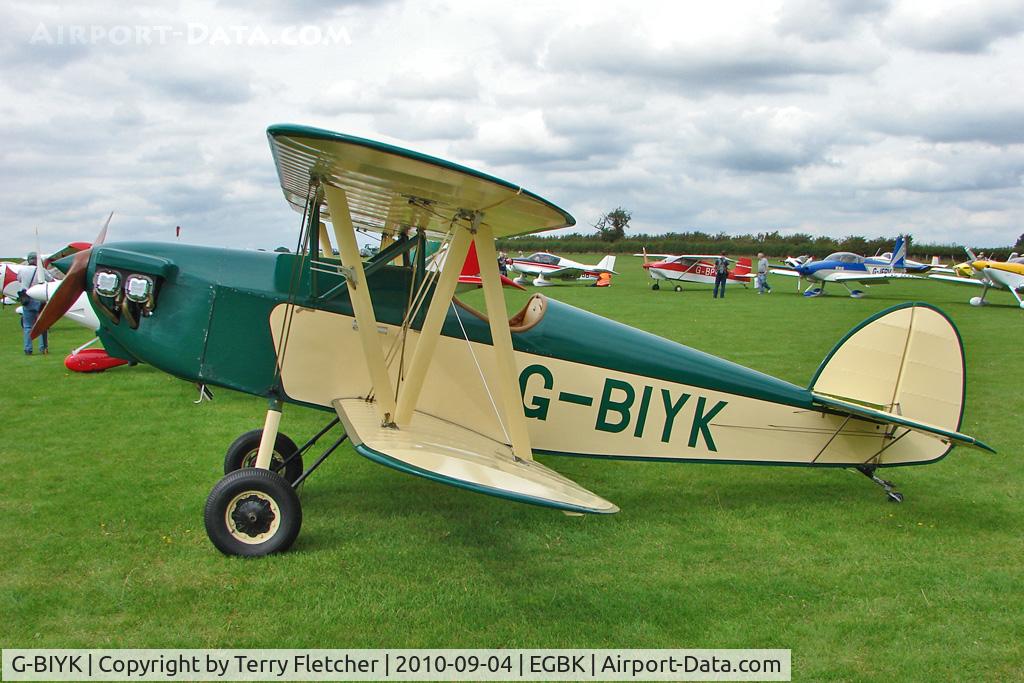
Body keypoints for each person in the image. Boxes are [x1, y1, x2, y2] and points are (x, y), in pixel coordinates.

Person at [17, 252, 51, 355]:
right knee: (41, 324)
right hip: (39, 299)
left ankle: (28, 349)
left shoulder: (22, 270)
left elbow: (18, 280)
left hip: (26, 299)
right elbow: (50, 279)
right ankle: (43, 348)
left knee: (27, 326)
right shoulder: (41, 271)